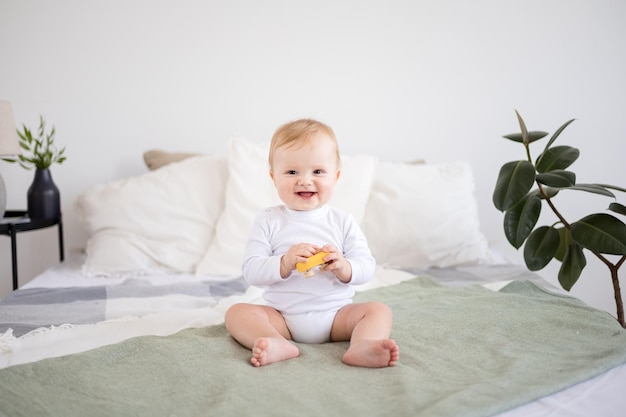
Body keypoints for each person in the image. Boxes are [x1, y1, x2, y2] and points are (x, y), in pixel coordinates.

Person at [224, 118, 399, 368]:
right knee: (236, 313)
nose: (305, 180)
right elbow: (252, 270)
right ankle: (275, 343)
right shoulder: (268, 220)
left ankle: (362, 346)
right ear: (274, 178)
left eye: (317, 171)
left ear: (335, 176)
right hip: (282, 317)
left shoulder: (342, 221)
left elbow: (366, 266)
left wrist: (343, 266)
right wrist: (284, 263)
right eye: (292, 172)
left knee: (379, 310)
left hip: (337, 316)